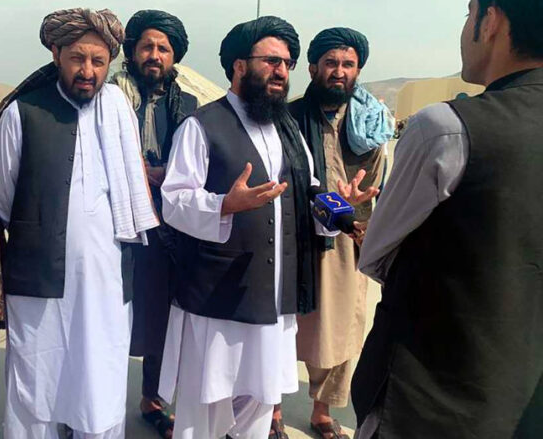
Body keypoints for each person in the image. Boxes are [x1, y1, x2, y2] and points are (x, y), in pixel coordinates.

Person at [158, 16, 371, 439]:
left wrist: (341, 211)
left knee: (259, 404)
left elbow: (310, 189)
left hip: (274, 299)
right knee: (206, 408)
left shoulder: (286, 128)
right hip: (217, 298)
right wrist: (224, 204)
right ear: (239, 65)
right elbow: (174, 201)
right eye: (271, 61)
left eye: (287, 64)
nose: (281, 72)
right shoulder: (201, 126)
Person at [0, 8, 158, 439]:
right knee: (37, 386)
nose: (88, 71)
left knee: (100, 383)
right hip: (38, 280)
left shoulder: (119, 109)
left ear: (109, 62)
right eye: (77, 58)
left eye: (98, 61)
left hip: (108, 280)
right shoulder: (22, 112)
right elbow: (5, 199)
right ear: (56, 54)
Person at [352, 0, 543, 437]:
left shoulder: (446, 129)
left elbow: (377, 255)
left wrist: (361, 217)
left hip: (426, 398)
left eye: (468, 13)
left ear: (490, 21)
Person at [288, 27, 391, 439]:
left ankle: (322, 410)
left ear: (358, 70)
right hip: (297, 233)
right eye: (330, 63)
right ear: (313, 68)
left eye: (348, 64)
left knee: (343, 330)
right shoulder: (289, 117)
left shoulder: (370, 124)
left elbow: (377, 184)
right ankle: (273, 409)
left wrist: (361, 221)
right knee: (287, 326)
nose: (339, 71)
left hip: (350, 238)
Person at [111, 9, 198, 439]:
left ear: (174, 56)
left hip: (167, 229)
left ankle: (152, 399)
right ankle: (95, 404)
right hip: (115, 226)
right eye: (147, 46)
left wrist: (169, 175)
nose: (155, 55)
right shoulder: (109, 97)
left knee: (161, 318)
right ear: (132, 52)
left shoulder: (189, 106)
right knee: (107, 314)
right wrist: (136, 173)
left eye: (163, 48)